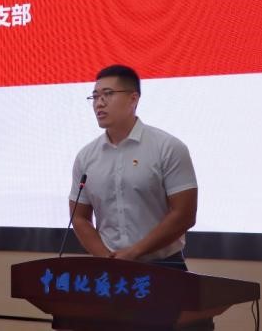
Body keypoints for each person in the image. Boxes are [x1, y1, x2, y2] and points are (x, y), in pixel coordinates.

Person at [69, 64, 198, 270]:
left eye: (108, 94)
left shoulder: (167, 147)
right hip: (110, 266)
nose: (99, 103)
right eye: (95, 96)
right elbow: (79, 217)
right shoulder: (86, 157)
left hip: (164, 266)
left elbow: (184, 214)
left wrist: (134, 252)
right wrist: (106, 257)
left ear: (133, 99)